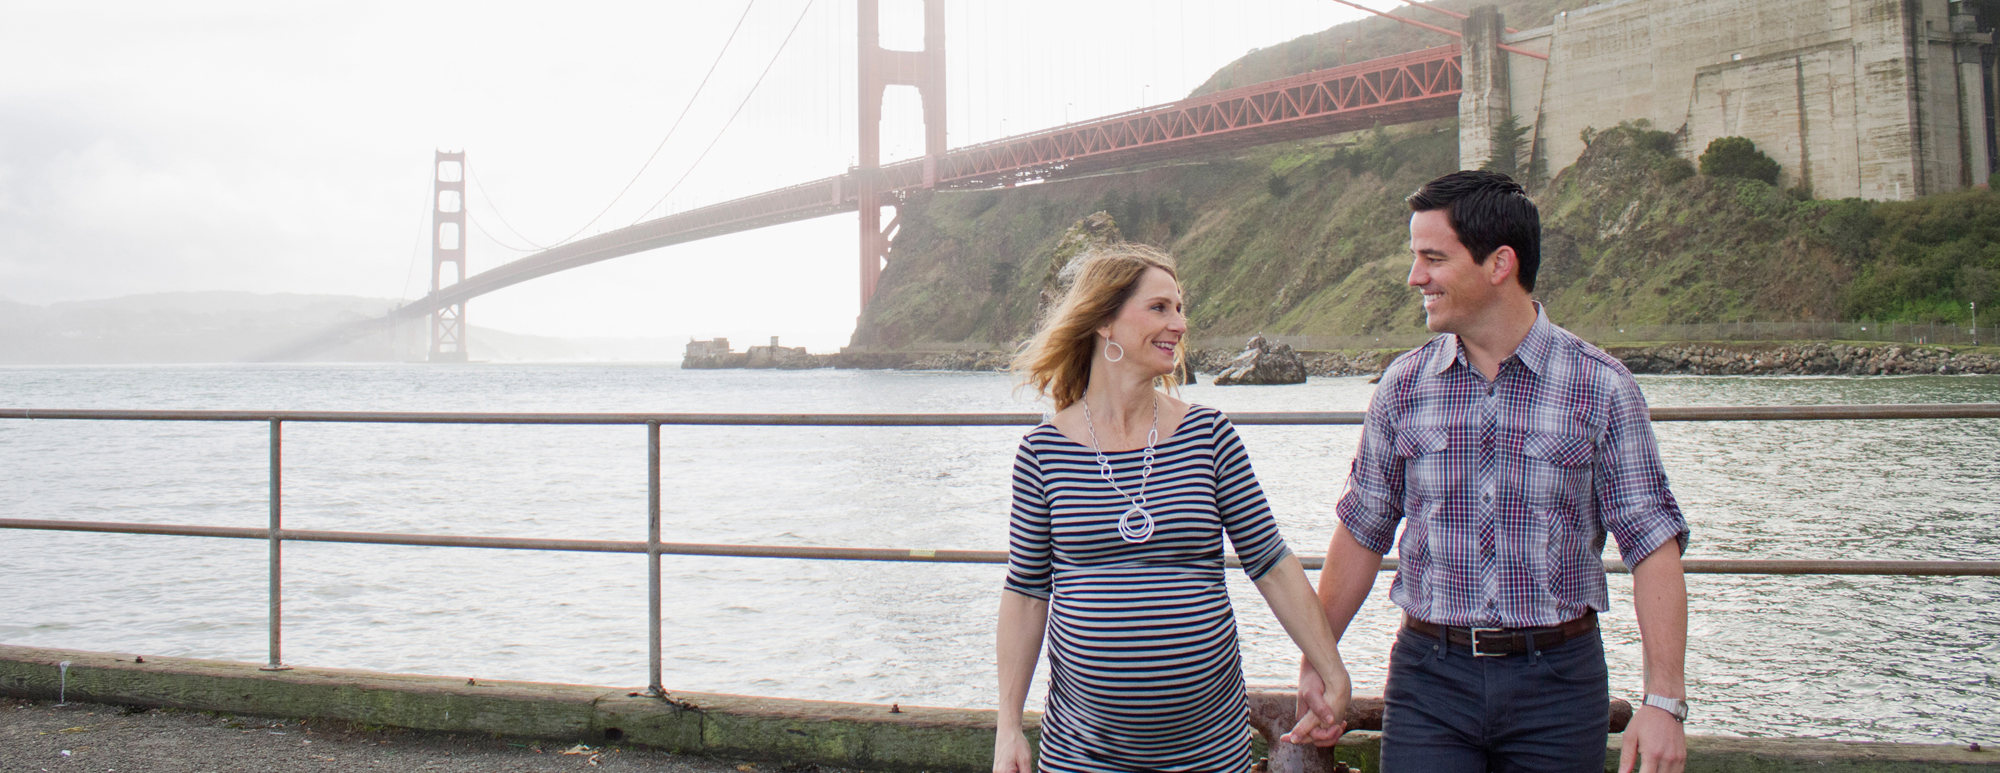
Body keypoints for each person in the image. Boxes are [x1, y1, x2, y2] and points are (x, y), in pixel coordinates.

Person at [1292, 171, 1691, 773]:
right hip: (1430, 682)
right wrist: (1318, 662)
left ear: (1500, 263)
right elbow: (1363, 530)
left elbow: (1652, 544)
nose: (1415, 277)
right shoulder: (1403, 386)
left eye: (1433, 258)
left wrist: (1664, 701)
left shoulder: (1602, 387)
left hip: (1559, 685)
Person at [993, 244, 1353, 773]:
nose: (1179, 324)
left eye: (1180, 308)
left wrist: (1332, 669)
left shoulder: (1209, 435)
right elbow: (1026, 593)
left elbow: (1271, 563)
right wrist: (1008, 727)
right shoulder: (1043, 453)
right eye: (1159, 308)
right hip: (1083, 753)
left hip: (1210, 750)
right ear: (1105, 322)